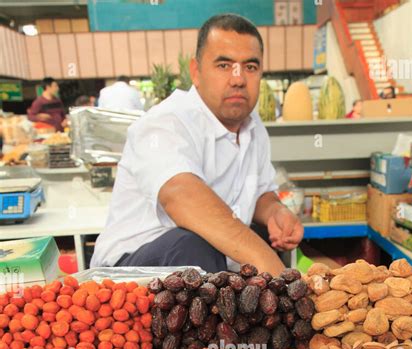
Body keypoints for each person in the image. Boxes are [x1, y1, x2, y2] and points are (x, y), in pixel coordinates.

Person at [91, 14, 302, 275]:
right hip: (130, 270)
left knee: (243, 242)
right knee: (195, 243)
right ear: (196, 72)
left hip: (209, 263)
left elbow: (260, 192)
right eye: (224, 65)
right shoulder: (165, 123)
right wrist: (273, 268)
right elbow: (183, 198)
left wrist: (275, 213)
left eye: (250, 67)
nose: (238, 79)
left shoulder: (253, 126)